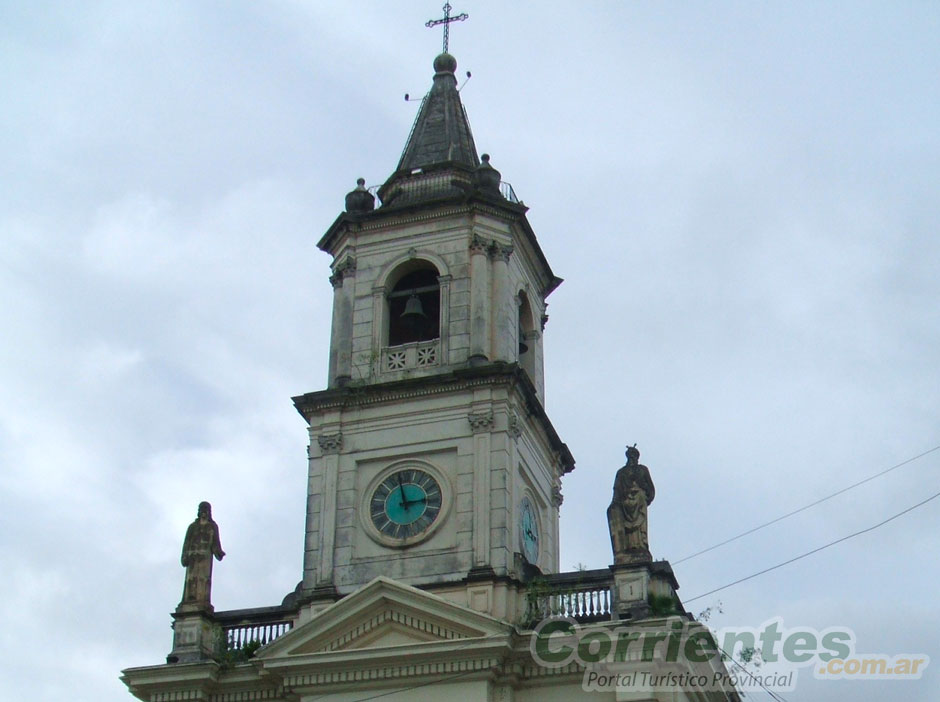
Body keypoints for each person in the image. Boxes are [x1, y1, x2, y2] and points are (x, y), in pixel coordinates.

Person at [607, 445, 655, 564]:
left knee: (639, 528)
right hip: (625, 503)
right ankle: (628, 547)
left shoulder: (642, 469)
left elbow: (650, 488)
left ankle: (639, 545)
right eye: (631, 456)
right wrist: (614, 503)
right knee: (626, 528)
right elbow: (617, 489)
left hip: (639, 500)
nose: (633, 458)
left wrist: (645, 496)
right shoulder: (621, 472)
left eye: (634, 456)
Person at [179, 501, 225, 610]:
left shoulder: (212, 527)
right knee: (191, 579)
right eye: (202, 509)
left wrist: (219, 552)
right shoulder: (192, 527)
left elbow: (215, 543)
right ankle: (189, 600)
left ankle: (202, 600)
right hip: (193, 557)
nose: (204, 512)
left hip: (205, 558)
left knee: (203, 579)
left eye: (206, 509)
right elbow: (186, 543)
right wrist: (184, 556)